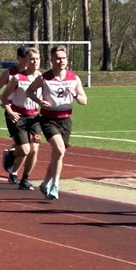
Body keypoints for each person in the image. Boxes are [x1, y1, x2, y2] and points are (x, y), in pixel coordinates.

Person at [25, 44, 88, 200]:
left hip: (65, 120)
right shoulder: (44, 78)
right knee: (59, 150)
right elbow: (29, 91)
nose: (61, 61)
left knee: (57, 155)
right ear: (52, 59)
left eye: (63, 58)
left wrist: (75, 94)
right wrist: (39, 101)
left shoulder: (74, 78)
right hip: (48, 119)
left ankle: (45, 183)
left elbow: (84, 101)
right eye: (58, 58)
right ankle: (55, 185)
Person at [0, 44, 42, 189]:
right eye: (31, 59)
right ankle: (10, 156)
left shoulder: (42, 77)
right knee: (24, 150)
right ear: (26, 61)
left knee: (34, 150)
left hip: (34, 117)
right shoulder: (16, 77)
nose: (35, 62)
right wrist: (8, 110)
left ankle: (25, 179)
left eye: (37, 59)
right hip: (18, 116)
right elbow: (2, 95)